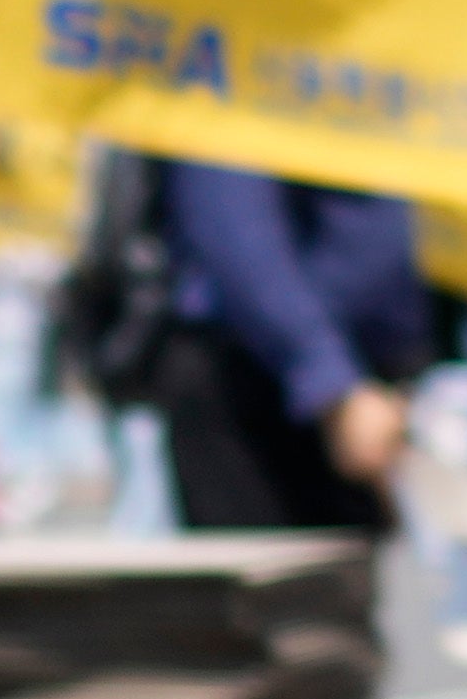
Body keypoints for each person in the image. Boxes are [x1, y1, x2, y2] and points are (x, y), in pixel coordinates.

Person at [123, 145, 433, 542]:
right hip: (256, 377)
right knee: (269, 572)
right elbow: (235, 234)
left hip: (357, 383)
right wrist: (334, 384)